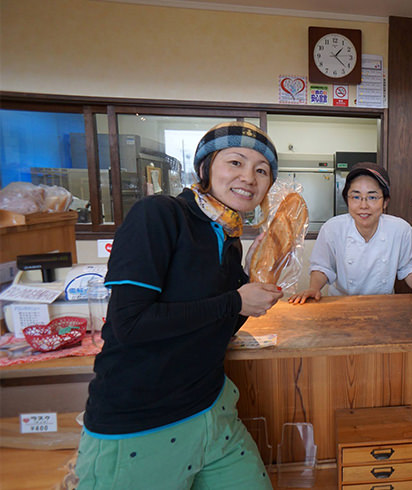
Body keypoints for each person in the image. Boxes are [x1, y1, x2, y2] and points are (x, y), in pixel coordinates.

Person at [75, 122, 284, 489]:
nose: (248, 177)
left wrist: (249, 295)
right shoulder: (159, 215)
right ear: (205, 169)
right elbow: (131, 323)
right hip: (140, 424)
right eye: (235, 162)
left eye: (261, 170)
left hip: (213, 411)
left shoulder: (230, 240)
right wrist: (236, 300)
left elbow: (215, 326)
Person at [288, 162, 412, 304]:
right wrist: (314, 288)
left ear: (385, 202)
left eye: (372, 197)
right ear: (347, 200)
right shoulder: (332, 228)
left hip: (384, 306)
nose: (363, 206)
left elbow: (409, 267)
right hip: (341, 304)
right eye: (356, 197)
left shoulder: (401, 230)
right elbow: (323, 267)